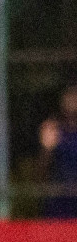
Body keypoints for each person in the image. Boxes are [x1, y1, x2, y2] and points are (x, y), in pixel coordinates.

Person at [38, 84, 77, 219]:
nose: (72, 99)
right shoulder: (53, 128)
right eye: (68, 94)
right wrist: (46, 149)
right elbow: (41, 172)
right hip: (58, 205)